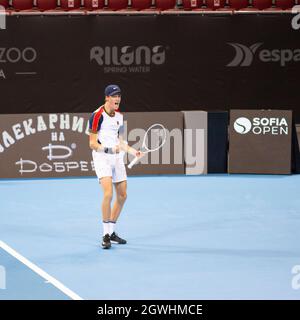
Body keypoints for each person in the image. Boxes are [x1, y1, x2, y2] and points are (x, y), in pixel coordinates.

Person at [89, 84, 142, 249]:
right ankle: (105, 235)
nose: (117, 98)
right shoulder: (96, 116)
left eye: (119, 95)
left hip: (117, 158)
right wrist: (109, 149)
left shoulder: (120, 116)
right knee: (108, 194)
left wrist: (133, 151)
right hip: (102, 157)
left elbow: (121, 140)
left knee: (123, 195)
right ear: (107, 98)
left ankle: (112, 232)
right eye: (114, 96)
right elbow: (92, 143)